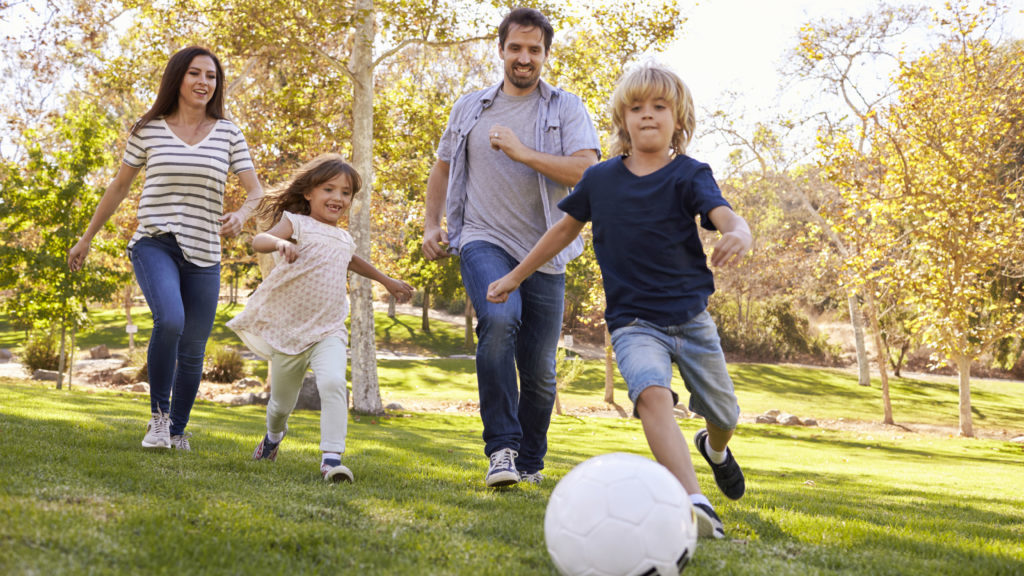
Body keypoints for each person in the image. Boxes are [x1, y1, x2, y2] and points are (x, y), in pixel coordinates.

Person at [487, 61, 751, 538]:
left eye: (659, 106)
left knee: (724, 414)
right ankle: (693, 499)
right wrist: (514, 276)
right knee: (651, 393)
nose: (647, 115)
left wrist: (740, 231)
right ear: (622, 120)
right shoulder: (601, 179)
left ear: (679, 120)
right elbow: (562, 229)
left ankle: (714, 449)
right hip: (632, 322)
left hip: (691, 319)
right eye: (636, 107)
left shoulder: (690, 175)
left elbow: (724, 216)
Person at [422, 7, 600, 488]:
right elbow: (442, 168)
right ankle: (501, 449)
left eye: (534, 50)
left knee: (541, 372)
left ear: (545, 54)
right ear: (500, 50)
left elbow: (587, 172)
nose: (524, 58)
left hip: (545, 249)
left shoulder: (566, 108)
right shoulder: (469, 108)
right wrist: (430, 224)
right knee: (498, 320)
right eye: (515, 48)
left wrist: (523, 152)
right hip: (482, 238)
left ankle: (529, 462)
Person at [68, 46, 264, 452]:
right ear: (177, 78)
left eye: (211, 76)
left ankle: (176, 430)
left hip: (205, 250)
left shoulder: (229, 133)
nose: (203, 83)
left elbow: (255, 190)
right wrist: (87, 238)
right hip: (154, 241)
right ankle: (157, 419)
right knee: (170, 320)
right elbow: (119, 187)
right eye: (195, 74)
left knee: (193, 347)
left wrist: (242, 216)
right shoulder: (149, 129)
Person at [227, 154, 413, 482]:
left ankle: (331, 458)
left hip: (328, 329)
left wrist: (388, 281)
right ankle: (272, 438)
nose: (338, 198)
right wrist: (281, 242)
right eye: (330, 189)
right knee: (281, 406)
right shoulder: (297, 223)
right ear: (310, 193)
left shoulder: (344, 238)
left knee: (333, 383)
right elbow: (260, 240)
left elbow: (353, 261)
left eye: (345, 193)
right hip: (289, 331)